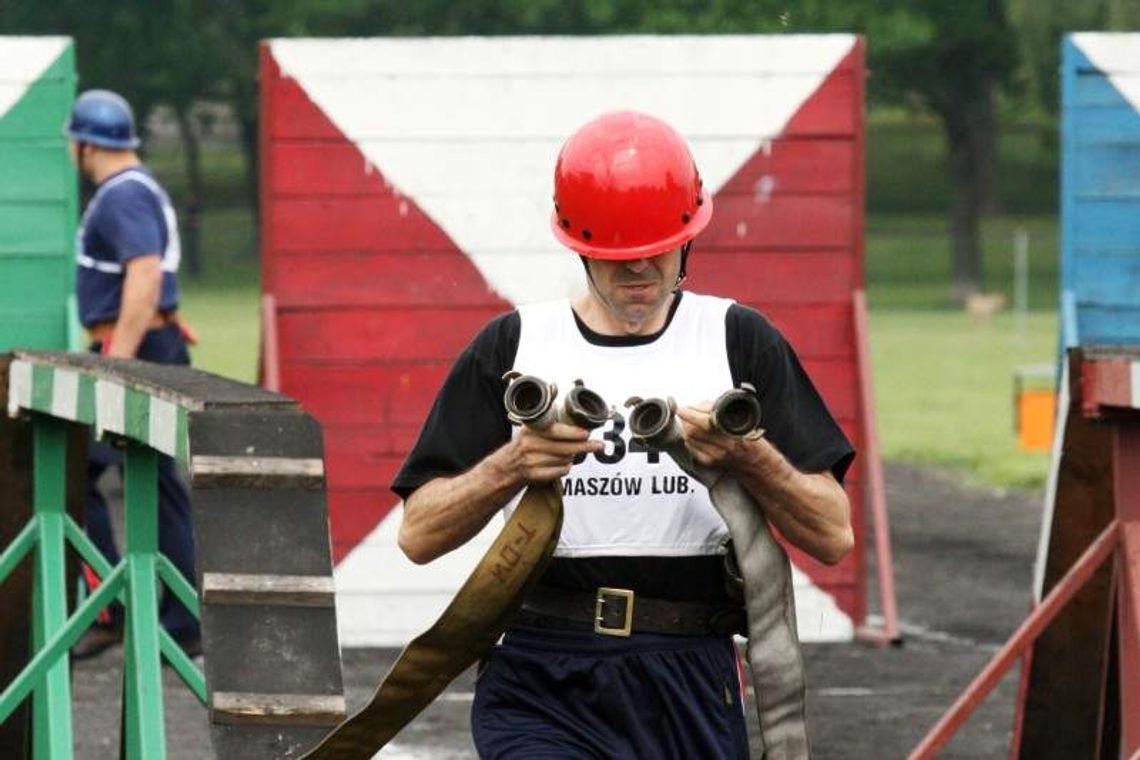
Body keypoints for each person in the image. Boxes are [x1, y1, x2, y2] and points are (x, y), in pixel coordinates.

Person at [394, 111, 855, 758]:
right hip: (542, 674)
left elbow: (833, 533)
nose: (639, 273)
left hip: (689, 672)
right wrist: (514, 465)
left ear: (687, 240)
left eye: (654, 253)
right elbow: (417, 534)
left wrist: (750, 460)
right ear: (579, 247)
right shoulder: (513, 345)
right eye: (617, 259)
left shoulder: (739, 340)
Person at [66, 89, 200, 659]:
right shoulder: (139, 188)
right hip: (155, 343)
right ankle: (181, 616)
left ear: (87, 144)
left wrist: (115, 363)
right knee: (157, 480)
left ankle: (106, 607)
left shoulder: (120, 196)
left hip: (136, 348)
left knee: (72, 474)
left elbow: (142, 275)